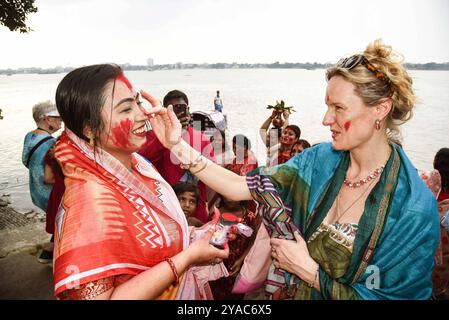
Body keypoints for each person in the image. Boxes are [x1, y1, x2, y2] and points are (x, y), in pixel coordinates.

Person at [144, 39, 439, 299]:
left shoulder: (413, 208)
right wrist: (176, 146)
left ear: (381, 109)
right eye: (326, 106)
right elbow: (237, 186)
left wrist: (311, 273)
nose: (326, 119)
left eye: (339, 108)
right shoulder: (320, 160)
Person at [52, 64, 228, 300]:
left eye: (137, 102)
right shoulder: (89, 203)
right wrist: (187, 258)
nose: (143, 113)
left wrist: (193, 236)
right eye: (126, 109)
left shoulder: (137, 165)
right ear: (90, 128)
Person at [139, 90, 216, 223]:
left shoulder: (201, 139)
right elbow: (142, 161)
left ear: (188, 110)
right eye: (173, 109)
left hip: (195, 208)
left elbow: (213, 175)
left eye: (181, 108)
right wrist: (164, 137)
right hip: (165, 206)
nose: (177, 113)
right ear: (165, 111)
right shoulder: (154, 136)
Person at [22, 100, 62, 263]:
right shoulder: (52, 143)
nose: (61, 121)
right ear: (47, 119)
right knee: (63, 219)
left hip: (35, 190)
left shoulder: (29, 136)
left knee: (58, 223)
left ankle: (49, 253)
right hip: (48, 193)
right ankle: (53, 254)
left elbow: (25, 161)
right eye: (57, 117)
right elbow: (50, 177)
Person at [208, 194, 260, 300]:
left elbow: (253, 242)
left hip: (236, 267)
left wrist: (241, 260)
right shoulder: (215, 213)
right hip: (215, 265)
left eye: (233, 194)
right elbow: (207, 237)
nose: (230, 198)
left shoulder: (249, 216)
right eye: (227, 194)